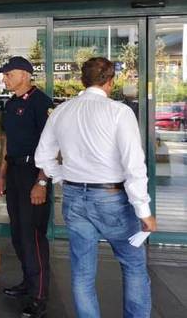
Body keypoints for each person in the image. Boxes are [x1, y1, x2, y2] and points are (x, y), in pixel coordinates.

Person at [35, 57, 157, 318]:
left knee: (82, 272)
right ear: (110, 82)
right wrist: (143, 210)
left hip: (74, 197)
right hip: (112, 198)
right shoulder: (119, 112)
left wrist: (61, 176)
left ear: (82, 80)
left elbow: (42, 158)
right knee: (133, 265)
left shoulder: (61, 111)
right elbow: (134, 164)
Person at [0, 56, 53, 318]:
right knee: (18, 233)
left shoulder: (42, 103)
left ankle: (39, 294)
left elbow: (54, 146)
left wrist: (42, 180)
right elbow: (9, 141)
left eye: (8, 74)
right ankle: (28, 282)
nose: (4, 78)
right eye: (4, 74)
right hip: (15, 172)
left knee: (34, 237)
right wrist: (2, 175)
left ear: (25, 75)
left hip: (33, 174)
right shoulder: (13, 104)